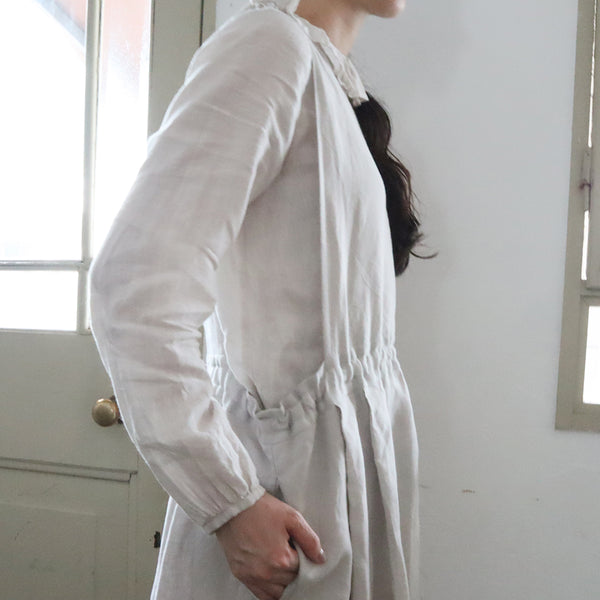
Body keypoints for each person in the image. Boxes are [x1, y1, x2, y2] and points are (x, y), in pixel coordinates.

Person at [89, 0, 423, 598]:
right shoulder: (270, 47)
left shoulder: (328, 85)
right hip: (281, 509)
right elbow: (134, 287)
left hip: (336, 489)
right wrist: (230, 502)